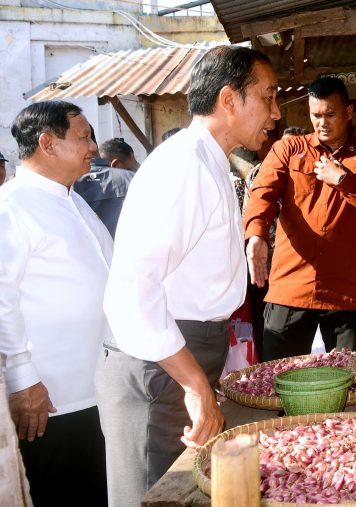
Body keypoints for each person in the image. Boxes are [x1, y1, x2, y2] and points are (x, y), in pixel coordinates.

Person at [96, 46, 281, 506]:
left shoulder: (210, 161)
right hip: (160, 365)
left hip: (181, 358)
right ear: (229, 99)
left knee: (179, 492)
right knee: (153, 493)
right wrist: (194, 383)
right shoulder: (183, 166)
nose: (276, 113)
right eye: (269, 96)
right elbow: (132, 291)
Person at [244, 76, 356, 359]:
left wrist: (344, 180)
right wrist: (256, 234)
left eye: (330, 114)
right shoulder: (289, 149)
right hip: (292, 284)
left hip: (349, 291)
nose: (322, 123)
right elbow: (263, 192)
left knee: (350, 382)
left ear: (348, 112)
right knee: (275, 378)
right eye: (315, 115)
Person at [0, 101, 112, 505]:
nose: (94, 147)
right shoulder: (11, 207)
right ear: (47, 143)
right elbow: (2, 301)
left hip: (94, 388)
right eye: (83, 137)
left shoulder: (72, 200)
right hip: (50, 399)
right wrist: (22, 379)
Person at [73, 137, 137, 238]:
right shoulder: (133, 180)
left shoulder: (67, 184)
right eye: (130, 169)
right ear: (115, 164)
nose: (131, 171)